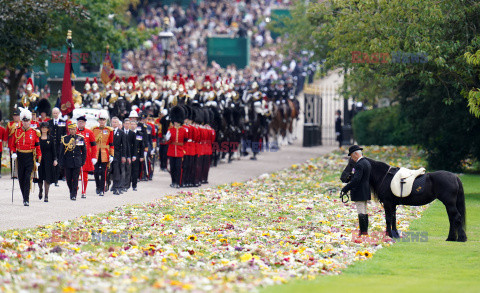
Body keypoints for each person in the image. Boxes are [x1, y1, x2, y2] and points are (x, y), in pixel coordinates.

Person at [10, 108, 42, 206]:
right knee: (21, 177)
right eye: (24, 121)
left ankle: (26, 199)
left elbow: (38, 147)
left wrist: (38, 160)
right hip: (20, 157)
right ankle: (24, 195)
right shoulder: (16, 131)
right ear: (21, 121)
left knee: (28, 177)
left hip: (29, 157)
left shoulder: (34, 132)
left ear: (30, 121)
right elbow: (12, 145)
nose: (25, 123)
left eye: (27, 121)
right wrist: (14, 153)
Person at [341, 145, 372, 237]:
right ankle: (364, 231)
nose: (351, 158)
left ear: (355, 154)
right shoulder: (366, 162)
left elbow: (356, 180)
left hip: (359, 191)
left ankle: (363, 232)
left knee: (361, 211)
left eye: (351, 156)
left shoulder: (359, 164)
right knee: (364, 210)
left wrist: (345, 188)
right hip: (365, 190)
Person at [58, 123, 87, 200]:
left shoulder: (80, 138)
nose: (72, 131)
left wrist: (83, 161)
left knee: (75, 178)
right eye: (71, 129)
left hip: (77, 161)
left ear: (76, 129)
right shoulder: (65, 139)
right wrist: (60, 162)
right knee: (68, 179)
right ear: (69, 130)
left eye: (74, 129)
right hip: (67, 162)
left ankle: (74, 194)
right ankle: (71, 190)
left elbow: (84, 151)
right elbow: (61, 152)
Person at [92, 110, 114, 196]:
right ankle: (97, 186)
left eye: (103, 120)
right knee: (96, 171)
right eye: (100, 119)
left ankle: (102, 189)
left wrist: (111, 155)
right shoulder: (94, 129)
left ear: (106, 121)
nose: (102, 121)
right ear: (98, 120)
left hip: (105, 153)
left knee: (104, 172)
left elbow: (111, 144)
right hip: (96, 153)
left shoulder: (109, 130)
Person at [76, 115, 97, 198]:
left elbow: (94, 145)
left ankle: (83, 191)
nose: (80, 123)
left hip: (86, 156)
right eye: (79, 122)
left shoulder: (89, 132)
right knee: (74, 174)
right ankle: (75, 187)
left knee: (84, 175)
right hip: (76, 156)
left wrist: (94, 157)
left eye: (82, 122)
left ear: (85, 123)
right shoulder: (74, 132)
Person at [166, 106, 187, 188]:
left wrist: (183, 150)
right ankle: (173, 181)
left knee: (178, 168)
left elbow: (185, 141)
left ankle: (178, 182)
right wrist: (168, 138)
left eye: (177, 121)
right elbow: (168, 141)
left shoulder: (183, 130)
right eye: (174, 121)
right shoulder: (170, 130)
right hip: (172, 150)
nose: (175, 122)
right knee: (172, 168)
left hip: (179, 151)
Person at [37, 122, 57, 202]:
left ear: (48, 129)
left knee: (47, 177)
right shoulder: (37, 137)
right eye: (42, 127)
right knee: (40, 177)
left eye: (45, 128)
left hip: (48, 160)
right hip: (39, 159)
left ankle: (46, 195)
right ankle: (40, 190)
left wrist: (55, 159)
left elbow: (54, 150)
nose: (44, 129)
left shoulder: (51, 138)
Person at [48, 107, 67, 186]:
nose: (55, 114)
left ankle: (57, 179)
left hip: (59, 145)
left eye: (56, 113)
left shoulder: (62, 122)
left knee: (58, 162)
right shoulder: (49, 122)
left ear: (59, 113)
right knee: (51, 161)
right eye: (54, 113)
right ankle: (51, 178)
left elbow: (64, 133)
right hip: (52, 145)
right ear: (52, 114)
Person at [111, 117, 127, 195]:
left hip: (117, 154)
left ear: (118, 124)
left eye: (115, 122)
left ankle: (116, 187)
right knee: (109, 170)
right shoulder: (108, 131)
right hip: (109, 154)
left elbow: (124, 145)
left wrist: (123, 156)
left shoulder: (121, 132)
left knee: (116, 171)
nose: (114, 124)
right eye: (113, 122)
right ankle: (108, 185)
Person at [129, 120, 144, 191]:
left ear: (136, 125)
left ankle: (134, 185)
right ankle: (127, 184)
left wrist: (141, 156)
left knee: (135, 170)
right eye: (131, 124)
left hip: (137, 154)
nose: (132, 125)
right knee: (128, 169)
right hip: (129, 153)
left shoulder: (139, 134)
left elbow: (142, 146)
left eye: (134, 124)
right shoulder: (127, 133)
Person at [122, 118, 133, 192]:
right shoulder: (121, 132)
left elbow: (132, 145)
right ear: (123, 124)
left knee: (128, 170)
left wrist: (130, 156)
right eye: (126, 123)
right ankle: (122, 184)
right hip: (122, 153)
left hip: (129, 153)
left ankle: (127, 184)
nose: (127, 125)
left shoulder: (132, 133)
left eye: (128, 124)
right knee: (122, 170)